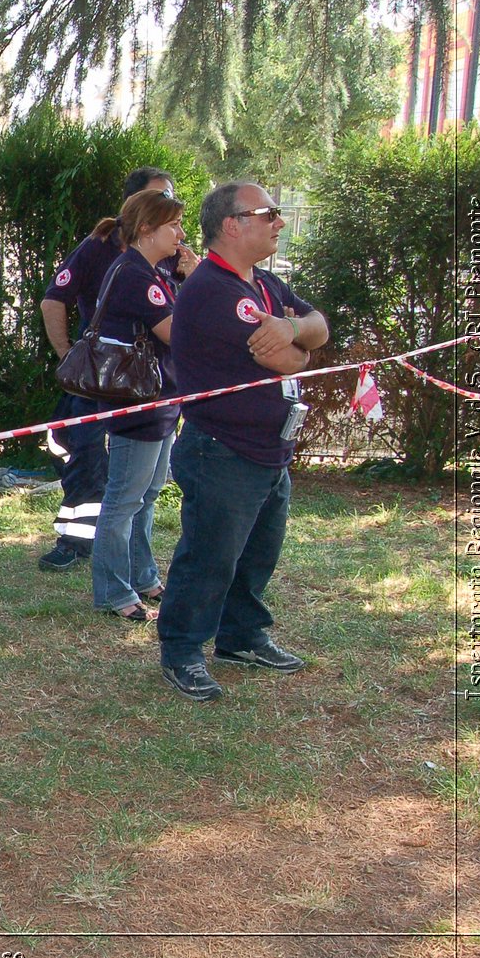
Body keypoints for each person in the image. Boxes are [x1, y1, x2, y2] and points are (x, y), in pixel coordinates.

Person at [155, 181, 330, 701]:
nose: (278, 221)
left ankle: (241, 637)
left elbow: (319, 327)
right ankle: (182, 650)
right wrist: (297, 340)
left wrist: (292, 324)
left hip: (268, 448)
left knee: (257, 554)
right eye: (267, 213)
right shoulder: (215, 290)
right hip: (222, 451)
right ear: (232, 225)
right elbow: (290, 360)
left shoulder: (266, 285)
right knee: (209, 557)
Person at [37, 167, 197, 571]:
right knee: (89, 457)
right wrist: (69, 356)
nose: (177, 226)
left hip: (155, 386)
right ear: (138, 213)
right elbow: (54, 299)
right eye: (162, 203)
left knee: (140, 485)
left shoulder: (172, 254)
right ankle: (76, 542)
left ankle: (132, 565)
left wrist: (191, 278)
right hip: (105, 381)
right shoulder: (102, 248)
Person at [85, 189, 188, 624]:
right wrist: (196, 281)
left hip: (160, 401)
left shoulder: (152, 271)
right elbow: (178, 332)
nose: (181, 234)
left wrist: (183, 279)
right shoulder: (134, 275)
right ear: (147, 229)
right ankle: (112, 591)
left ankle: (143, 575)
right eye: (173, 225)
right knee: (124, 500)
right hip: (139, 405)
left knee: (146, 495)